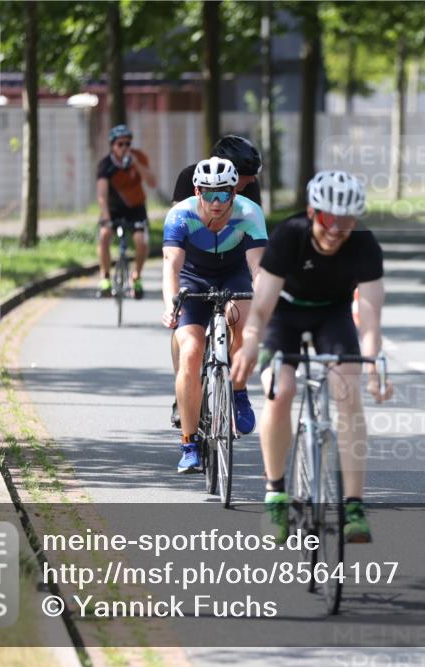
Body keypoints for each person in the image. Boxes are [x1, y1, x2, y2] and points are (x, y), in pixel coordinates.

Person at [231, 170, 393, 544]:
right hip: (284, 313)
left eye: (345, 221)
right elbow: (261, 309)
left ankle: (354, 506)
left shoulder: (364, 245)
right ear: (311, 212)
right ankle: (276, 494)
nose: (335, 229)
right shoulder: (290, 235)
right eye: (327, 218)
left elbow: (370, 321)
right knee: (280, 389)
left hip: (333, 314)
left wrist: (373, 368)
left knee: (348, 391)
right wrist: (251, 344)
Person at [162, 157, 267, 473]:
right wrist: (170, 304)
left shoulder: (249, 213)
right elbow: (171, 266)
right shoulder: (181, 215)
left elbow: (258, 268)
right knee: (191, 352)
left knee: (243, 323)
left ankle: (238, 390)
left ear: (235, 192)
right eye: (209, 193)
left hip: (234, 275)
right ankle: (189, 443)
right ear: (197, 191)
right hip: (193, 277)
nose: (217, 202)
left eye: (224, 193)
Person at [96, 124, 157, 298]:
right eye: (120, 144)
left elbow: (152, 182)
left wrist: (136, 164)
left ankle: (136, 276)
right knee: (105, 234)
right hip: (113, 208)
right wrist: (107, 218)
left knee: (140, 240)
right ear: (112, 146)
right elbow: (102, 195)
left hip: (136, 208)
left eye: (128, 144)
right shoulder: (106, 165)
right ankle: (105, 276)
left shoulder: (138, 157)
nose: (124, 147)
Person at [173, 135, 262, 206]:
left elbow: (255, 220)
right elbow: (177, 217)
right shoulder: (189, 177)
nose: (252, 180)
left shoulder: (250, 185)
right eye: (246, 174)